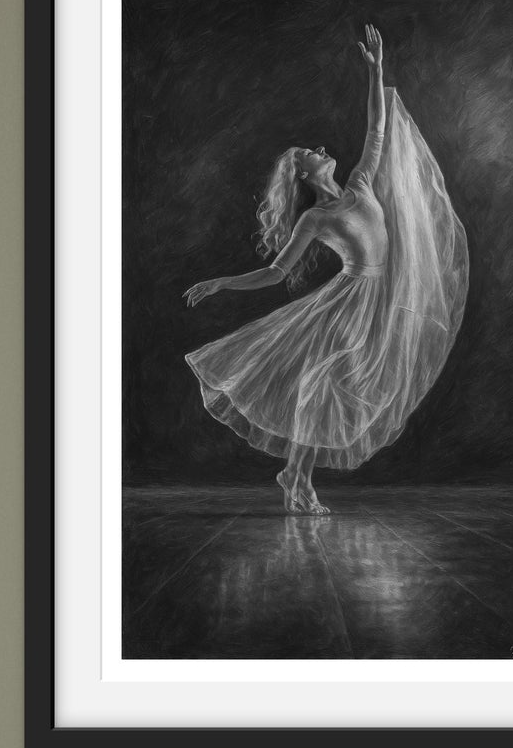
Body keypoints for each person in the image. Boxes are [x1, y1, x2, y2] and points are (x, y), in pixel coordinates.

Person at [183, 25, 469, 515]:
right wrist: (222, 283)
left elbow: (376, 131)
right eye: (311, 152)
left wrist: (376, 73)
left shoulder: (361, 183)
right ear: (304, 172)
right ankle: (297, 478)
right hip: (348, 302)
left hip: (380, 298)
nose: (320, 147)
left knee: (335, 389)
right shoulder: (316, 218)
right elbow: (276, 273)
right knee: (323, 386)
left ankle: (294, 474)